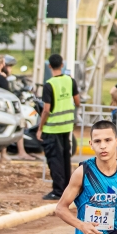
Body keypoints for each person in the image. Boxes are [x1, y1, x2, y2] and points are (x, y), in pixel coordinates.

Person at [37, 54, 78, 201]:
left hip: (52, 128)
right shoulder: (70, 81)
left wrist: (40, 128)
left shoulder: (49, 85)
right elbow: (77, 101)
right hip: (66, 126)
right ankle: (67, 188)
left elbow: (46, 110)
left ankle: (58, 191)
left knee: (55, 160)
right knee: (65, 158)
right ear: (62, 65)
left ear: (49, 66)